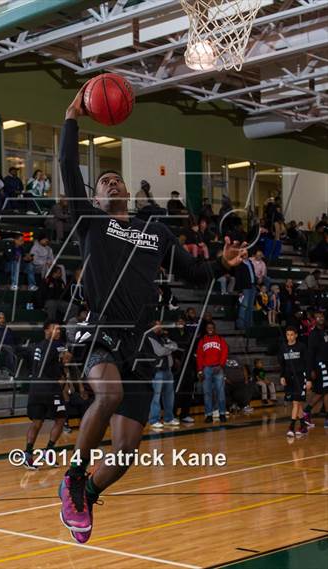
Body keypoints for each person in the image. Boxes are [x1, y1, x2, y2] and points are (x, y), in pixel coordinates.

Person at [56, 88, 246, 543]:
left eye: (114, 179)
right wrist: (70, 120)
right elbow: (67, 171)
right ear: (95, 200)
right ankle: (74, 476)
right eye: (102, 183)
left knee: (125, 452)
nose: (110, 183)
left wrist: (223, 264)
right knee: (108, 393)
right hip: (103, 327)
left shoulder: (155, 231)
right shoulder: (92, 224)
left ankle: (88, 494)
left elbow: (194, 274)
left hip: (140, 341)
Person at [23, 322, 68, 469]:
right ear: (46, 330)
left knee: (37, 422)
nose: (59, 331)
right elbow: (67, 358)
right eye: (55, 328)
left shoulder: (35, 347)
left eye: (60, 329)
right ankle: (48, 451)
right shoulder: (57, 345)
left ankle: (28, 454)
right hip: (49, 387)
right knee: (61, 419)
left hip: (35, 387)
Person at [279, 326, 311, 437]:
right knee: (297, 404)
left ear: (296, 335)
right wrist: (282, 376)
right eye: (288, 335)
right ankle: (303, 426)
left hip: (300, 378)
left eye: (292, 334)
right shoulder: (283, 347)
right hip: (289, 379)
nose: (290, 337)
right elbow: (282, 364)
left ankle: (291, 427)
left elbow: (307, 364)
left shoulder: (302, 347)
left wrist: (309, 380)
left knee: (296, 403)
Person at [148, 321, 180, 429]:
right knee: (156, 397)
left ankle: (168, 418)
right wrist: (169, 348)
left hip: (168, 370)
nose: (161, 327)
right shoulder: (149, 337)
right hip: (158, 371)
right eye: (158, 325)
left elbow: (175, 346)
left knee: (169, 396)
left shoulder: (163, 337)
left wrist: (168, 347)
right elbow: (160, 351)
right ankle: (153, 420)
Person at [196, 321, 229, 423]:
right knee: (207, 393)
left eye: (212, 327)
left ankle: (222, 413)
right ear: (206, 329)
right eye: (208, 327)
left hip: (218, 368)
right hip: (206, 369)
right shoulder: (202, 340)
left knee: (220, 392)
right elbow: (200, 356)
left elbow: (224, 352)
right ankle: (209, 415)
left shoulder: (220, 339)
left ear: (215, 328)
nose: (210, 329)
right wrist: (200, 371)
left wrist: (221, 365)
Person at [303, 311, 328, 428]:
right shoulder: (313, 334)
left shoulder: (325, 331)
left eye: (321, 316)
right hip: (320, 365)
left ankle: (306, 412)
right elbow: (310, 354)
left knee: (322, 391)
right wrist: (311, 370)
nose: (320, 318)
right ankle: (307, 412)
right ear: (314, 320)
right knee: (324, 391)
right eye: (317, 317)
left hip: (326, 364)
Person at [170, 316, 196, 424]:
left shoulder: (189, 333)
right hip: (176, 366)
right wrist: (174, 359)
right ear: (175, 323)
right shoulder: (171, 334)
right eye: (178, 321)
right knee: (176, 391)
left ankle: (185, 414)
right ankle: (172, 414)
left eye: (182, 321)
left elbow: (192, 349)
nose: (181, 322)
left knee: (188, 391)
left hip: (188, 365)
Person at [235, 257, 256, 330]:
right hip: (244, 287)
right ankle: (241, 325)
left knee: (250, 307)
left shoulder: (250, 262)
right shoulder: (239, 263)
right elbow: (238, 277)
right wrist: (240, 290)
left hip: (252, 286)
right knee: (244, 306)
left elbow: (252, 274)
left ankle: (249, 325)